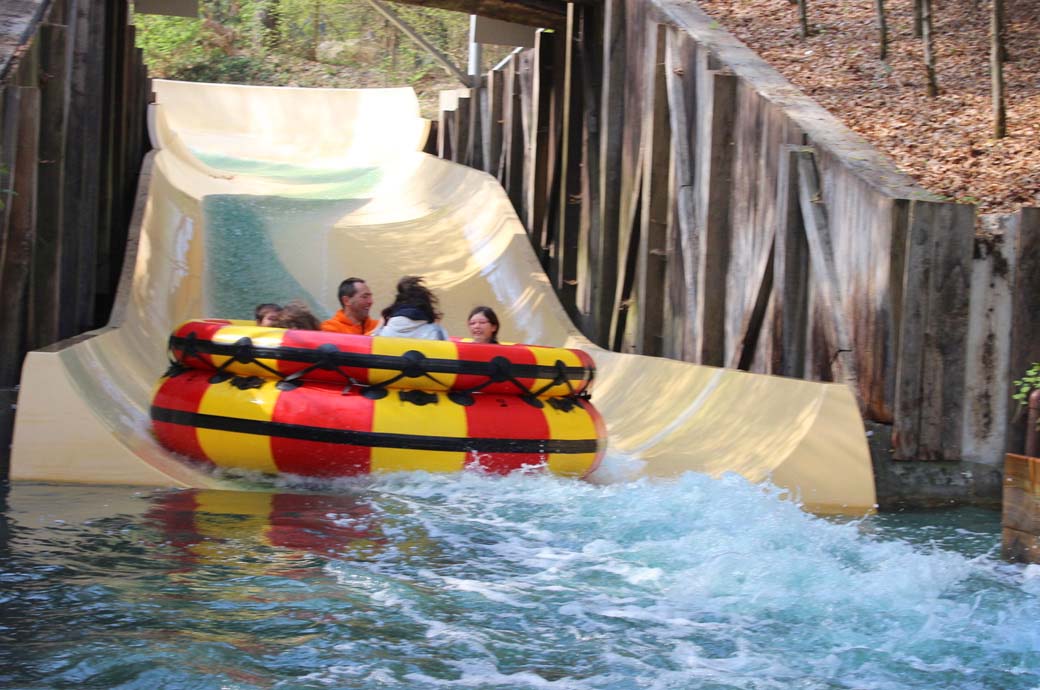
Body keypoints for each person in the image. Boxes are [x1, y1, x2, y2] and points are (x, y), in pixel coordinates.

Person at [373, 276, 449, 340]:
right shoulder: (434, 333)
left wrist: (380, 325)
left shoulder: (384, 333)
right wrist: (436, 327)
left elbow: (369, 347)